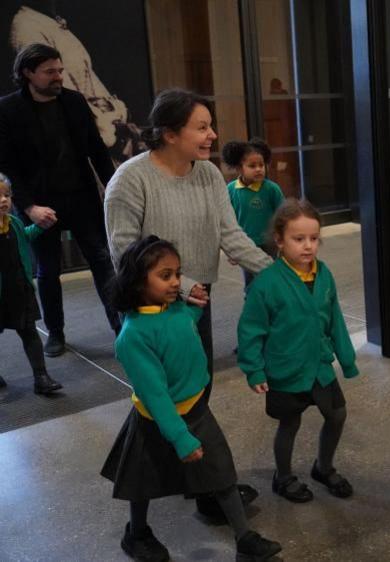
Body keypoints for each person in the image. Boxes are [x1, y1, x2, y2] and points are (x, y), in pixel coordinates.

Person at [104, 88, 271, 520]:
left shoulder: (209, 175)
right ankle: (156, 504)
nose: (213, 135)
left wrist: (275, 273)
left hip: (195, 303)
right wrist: (185, 284)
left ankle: (200, 487)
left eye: (210, 125)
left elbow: (229, 233)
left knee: (196, 394)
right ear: (169, 133)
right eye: (202, 127)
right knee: (158, 404)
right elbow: (126, 253)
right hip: (152, 313)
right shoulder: (130, 180)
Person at [100, 236, 281, 562]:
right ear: (139, 281)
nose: (176, 282)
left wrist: (194, 308)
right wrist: (180, 437)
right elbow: (155, 395)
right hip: (157, 421)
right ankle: (137, 533)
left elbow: (181, 330)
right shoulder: (134, 336)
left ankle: (244, 538)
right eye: (165, 275)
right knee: (142, 484)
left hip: (196, 409)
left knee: (222, 473)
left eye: (177, 273)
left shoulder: (174, 310)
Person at [0, 42, 121, 357]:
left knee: (102, 260)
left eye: (60, 70)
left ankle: (120, 327)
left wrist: (113, 187)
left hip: (81, 197)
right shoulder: (8, 109)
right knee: (48, 271)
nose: (58, 77)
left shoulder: (74, 102)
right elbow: (8, 166)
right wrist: (29, 207)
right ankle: (56, 333)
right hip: (39, 204)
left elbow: (96, 149)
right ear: (28, 73)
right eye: (49, 72)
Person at [238, 199, 359, 504]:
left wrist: (346, 358)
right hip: (285, 368)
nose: (308, 246)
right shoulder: (266, 284)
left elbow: (335, 318)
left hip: (318, 364)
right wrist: (254, 369)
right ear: (279, 240)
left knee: (337, 414)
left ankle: (324, 466)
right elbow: (250, 330)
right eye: (298, 239)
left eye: (314, 238)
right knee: (290, 423)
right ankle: (284, 476)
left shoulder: (325, 273)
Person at [0, 172, 61, 394]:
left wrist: (41, 227)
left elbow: (24, 236)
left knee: (30, 333)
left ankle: (41, 377)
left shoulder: (13, 222)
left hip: (20, 289)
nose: (4, 200)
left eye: (6, 195)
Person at [222, 138, 284, 292]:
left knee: (272, 279)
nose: (258, 169)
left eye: (261, 165)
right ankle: (253, 310)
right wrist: (232, 250)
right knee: (251, 285)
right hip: (245, 245)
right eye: (252, 166)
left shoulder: (271, 189)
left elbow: (284, 215)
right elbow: (227, 221)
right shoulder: (230, 190)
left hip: (270, 243)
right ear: (239, 168)